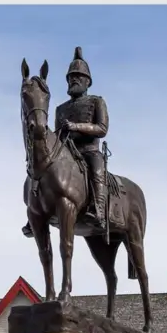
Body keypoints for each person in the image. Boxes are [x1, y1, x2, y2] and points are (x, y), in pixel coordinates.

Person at [22, 46, 110, 238]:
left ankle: (98, 210)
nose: (74, 80)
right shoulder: (60, 109)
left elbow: (102, 129)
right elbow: (58, 134)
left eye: (78, 76)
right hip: (65, 152)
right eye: (71, 77)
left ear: (88, 81)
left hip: (88, 150)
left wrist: (76, 126)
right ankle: (34, 213)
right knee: (40, 168)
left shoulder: (97, 102)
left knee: (97, 168)